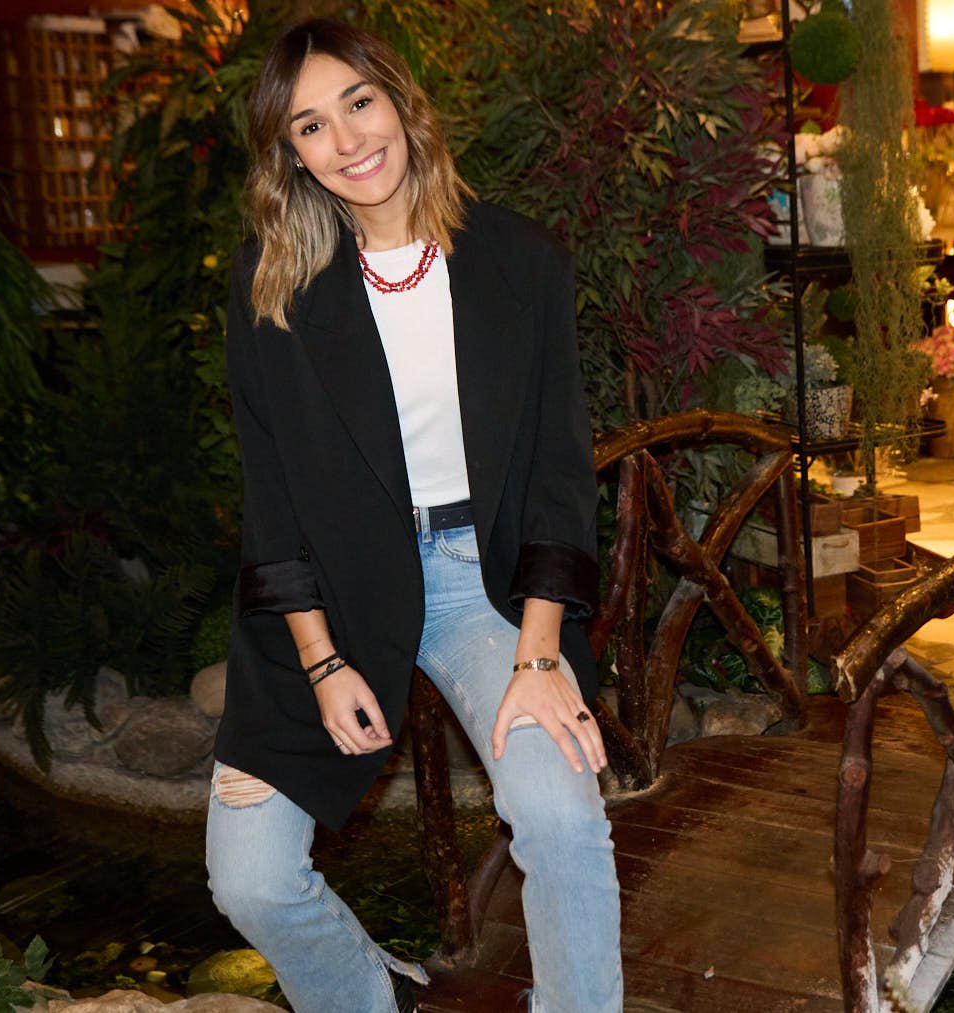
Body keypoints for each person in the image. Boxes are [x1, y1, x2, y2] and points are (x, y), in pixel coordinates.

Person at [205, 18, 622, 1013]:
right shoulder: (273, 289)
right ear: (289, 154)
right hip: (332, 600)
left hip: (488, 584)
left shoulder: (521, 263)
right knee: (250, 875)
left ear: (399, 100)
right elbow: (271, 500)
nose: (347, 140)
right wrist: (316, 659)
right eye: (310, 124)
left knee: (561, 811)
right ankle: (363, 993)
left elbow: (562, 478)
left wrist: (538, 658)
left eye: (357, 102)